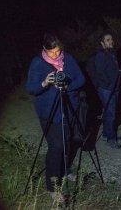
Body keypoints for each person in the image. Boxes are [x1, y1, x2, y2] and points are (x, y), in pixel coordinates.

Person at [26, 33, 85, 202]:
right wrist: (44, 83)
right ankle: (52, 187)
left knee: (66, 142)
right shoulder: (37, 63)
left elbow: (81, 79)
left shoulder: (69, 59)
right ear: (44, 49)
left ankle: (65, 170)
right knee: (56, 146)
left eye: (58, 51)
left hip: (67, 108)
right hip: (48, 112)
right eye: (51, 52)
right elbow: (31, 88)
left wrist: (68, 86)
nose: (56, 55)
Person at [93, 31, 121, 148]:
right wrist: (110, 84)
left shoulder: (111, 53)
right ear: (102, 43)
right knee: (111, 113)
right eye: (108, 40)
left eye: (111, 40)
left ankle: (107, 134)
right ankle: (111, 138)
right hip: (106, 89)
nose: (111, 42)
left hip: (114, 88)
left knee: (108, 112)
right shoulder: (100, 55)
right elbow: (100, 73)